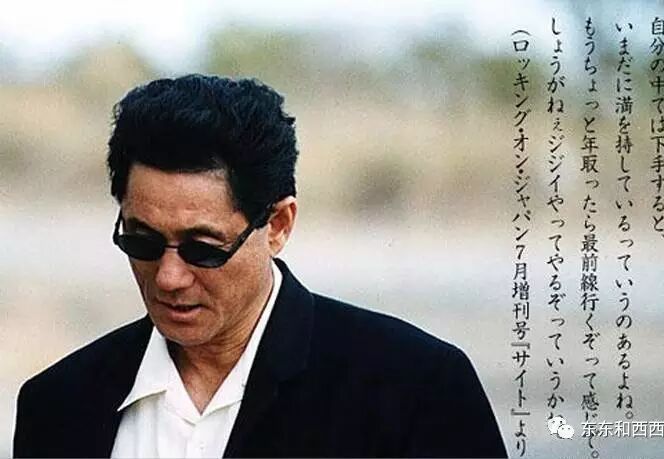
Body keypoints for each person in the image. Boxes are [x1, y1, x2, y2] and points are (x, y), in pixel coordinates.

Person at [13, 74, 507, 458]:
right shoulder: (57, 405)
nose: (168, 277)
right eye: (142, 241)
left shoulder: (415, 389)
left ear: (278, 225)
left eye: (203, 248)